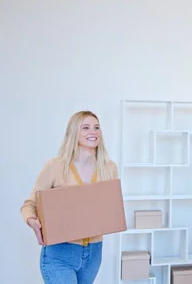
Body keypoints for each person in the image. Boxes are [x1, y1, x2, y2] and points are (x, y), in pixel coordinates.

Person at [20, 110, 119, 284]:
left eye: (96, 127)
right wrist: (31, 221)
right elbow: (29, 205)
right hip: (60, 252)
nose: (93, 132)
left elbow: (110, 208)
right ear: (74, 132)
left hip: (94, 253)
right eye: (86, 128)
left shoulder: (109, 168)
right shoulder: (55, 166)